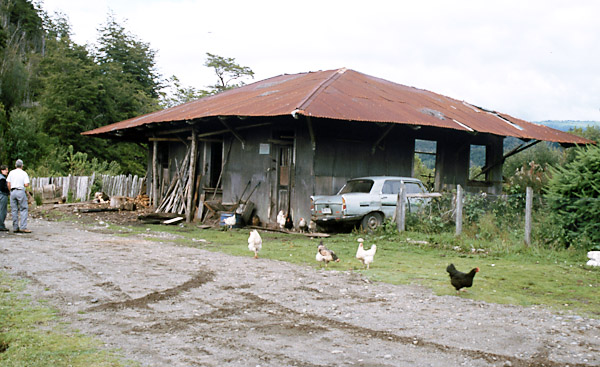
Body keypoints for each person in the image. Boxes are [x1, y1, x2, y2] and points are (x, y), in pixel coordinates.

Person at [6, 159, 31, 233]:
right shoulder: (24, 173)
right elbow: (26, 184)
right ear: (22, 166)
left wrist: (10, 191)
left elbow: (8, 183)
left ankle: (15, 227)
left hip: (13, 191)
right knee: (23, 208)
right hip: (20, 191)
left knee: (14, 210)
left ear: (15, 165)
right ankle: (23, 227)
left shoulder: (11, 172)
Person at [0, 165, 9, 231]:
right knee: (3, 211)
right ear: (2, 170)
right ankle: (1, 225)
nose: (7, 171)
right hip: (3, 195)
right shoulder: (2, 178)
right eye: (6, 170)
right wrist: (9, 190)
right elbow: (3, 188)